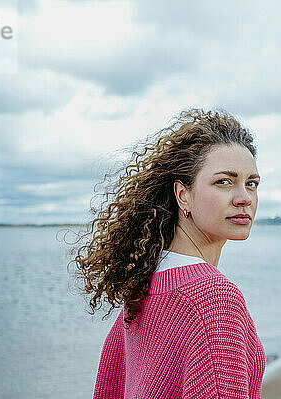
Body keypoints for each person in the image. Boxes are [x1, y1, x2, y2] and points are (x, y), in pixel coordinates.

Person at [69, 108, 266, 398]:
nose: (244, 198)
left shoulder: (142, 288)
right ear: (183, 194)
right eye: (224, 181)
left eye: (252, 183)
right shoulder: (212, 298)